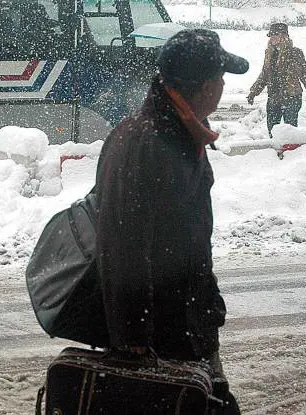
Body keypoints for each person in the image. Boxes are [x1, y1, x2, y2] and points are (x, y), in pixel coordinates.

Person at [95, 29, 247, 413]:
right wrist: (134, 342)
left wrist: (206, 307)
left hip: (188, 321)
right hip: (163, 332)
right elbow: (123, 246)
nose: (225, 84)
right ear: (204, 86)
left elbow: (186, 232)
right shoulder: (147, 141)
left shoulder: (179, 131)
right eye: (220, 76)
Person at [247, 23, 306, 135]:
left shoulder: (295, 53)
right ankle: (276, 151)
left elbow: (305, 74)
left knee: (290, 130)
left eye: (275, 35)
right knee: (272, 129)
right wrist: (254, 91)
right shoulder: (269, 53)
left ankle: (290, 151)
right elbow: (264, 75)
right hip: (274, 96)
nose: (272, 38)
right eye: (271, 35)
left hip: (292, 96)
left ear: (284, 36)